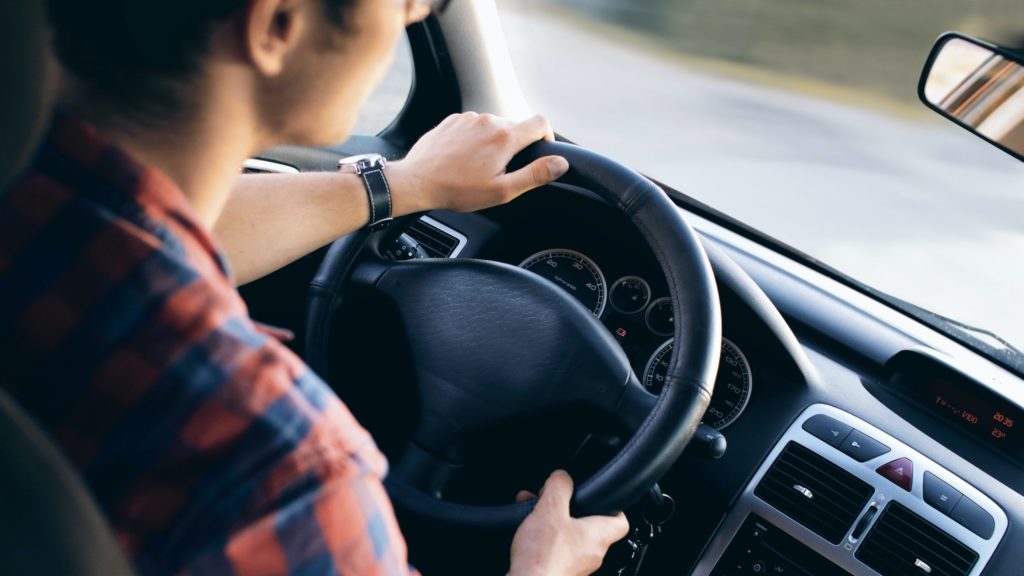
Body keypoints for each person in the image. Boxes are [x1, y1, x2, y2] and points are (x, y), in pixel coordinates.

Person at [0, 0, 629, 574]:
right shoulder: (282, 474)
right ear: (276, 24)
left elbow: (160, 225)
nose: (413, 13)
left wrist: (404, 184)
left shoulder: (33, 204)